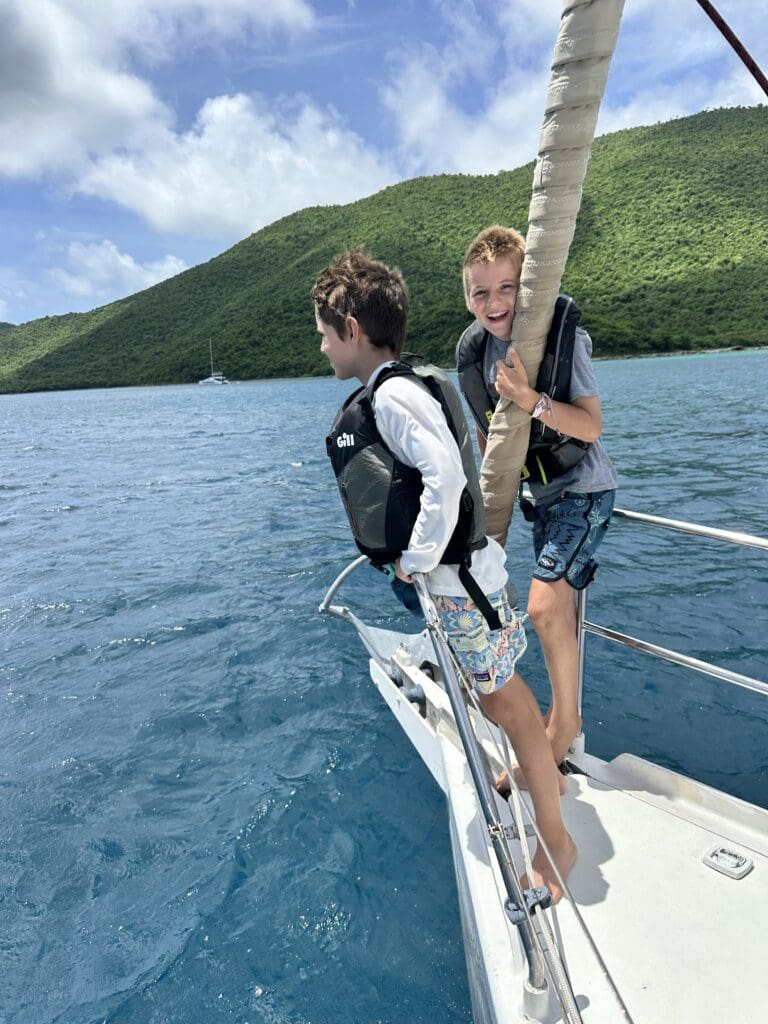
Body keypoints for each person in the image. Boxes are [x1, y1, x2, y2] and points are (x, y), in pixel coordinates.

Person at [314, 249, 576, 902]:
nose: (320, 347)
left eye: (323, 332)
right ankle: (551, 780)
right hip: (459, 586)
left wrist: (416, 559)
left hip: (461, 587)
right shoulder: (394, 388)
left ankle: (556, 840)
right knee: (497, 698)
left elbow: (446, 476)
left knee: (507, 704)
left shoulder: (395, 396)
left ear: (351, 328)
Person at [457, 225, 618, 769]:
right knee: (559, 611)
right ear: (468, 298)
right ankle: (557, 717)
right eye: (481, 292)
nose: (495, 302)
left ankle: (563, 725)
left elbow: (591, 427)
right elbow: (491, 441)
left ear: (527, 289)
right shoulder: (476, 356)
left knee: (542, 607)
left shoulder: (565, 339)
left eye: (508, 288)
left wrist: (531, 398)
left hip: (584, 490)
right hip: (540, 499)